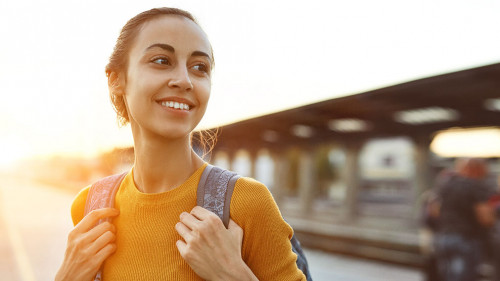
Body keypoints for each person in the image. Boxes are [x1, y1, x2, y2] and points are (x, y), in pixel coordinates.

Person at [55, 7, 307, 281]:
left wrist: (232, 276)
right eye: (162, 60)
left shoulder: (247, 204)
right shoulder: (90, 207)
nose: (184, 81)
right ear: (117, 79)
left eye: (200, 67)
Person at [433, 158, 495, 281]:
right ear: (475, 169)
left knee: (449, 276)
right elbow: (485, 218)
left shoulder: (446, 184)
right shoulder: (475, 186)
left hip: (444, 238)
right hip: (467, 238)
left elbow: (435, 211)